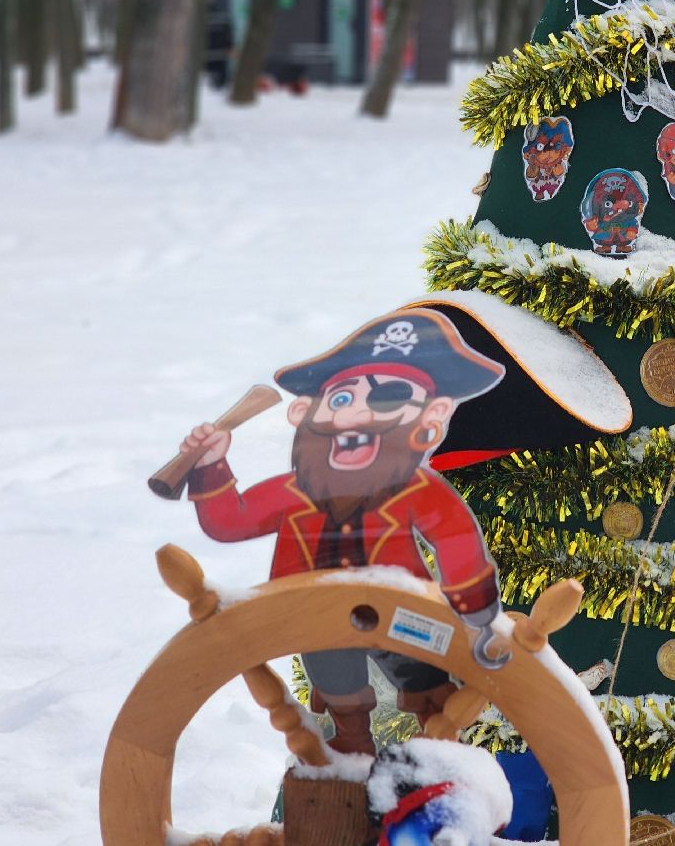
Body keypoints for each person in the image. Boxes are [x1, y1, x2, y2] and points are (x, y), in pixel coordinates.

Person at [178, 308, 507, 754]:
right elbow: (230, 521)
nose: (359, 413)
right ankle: (352, 744)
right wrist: (210, 463)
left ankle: (437, 735)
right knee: (333, 673)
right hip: (318, 615)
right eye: (340, 399)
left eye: (389, 397)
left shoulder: (416, 490)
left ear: (432, 415)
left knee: (424, 670)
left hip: (400, 610)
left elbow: (456, 541)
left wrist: (476, 615)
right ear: (305, 414)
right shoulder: (295, 491)